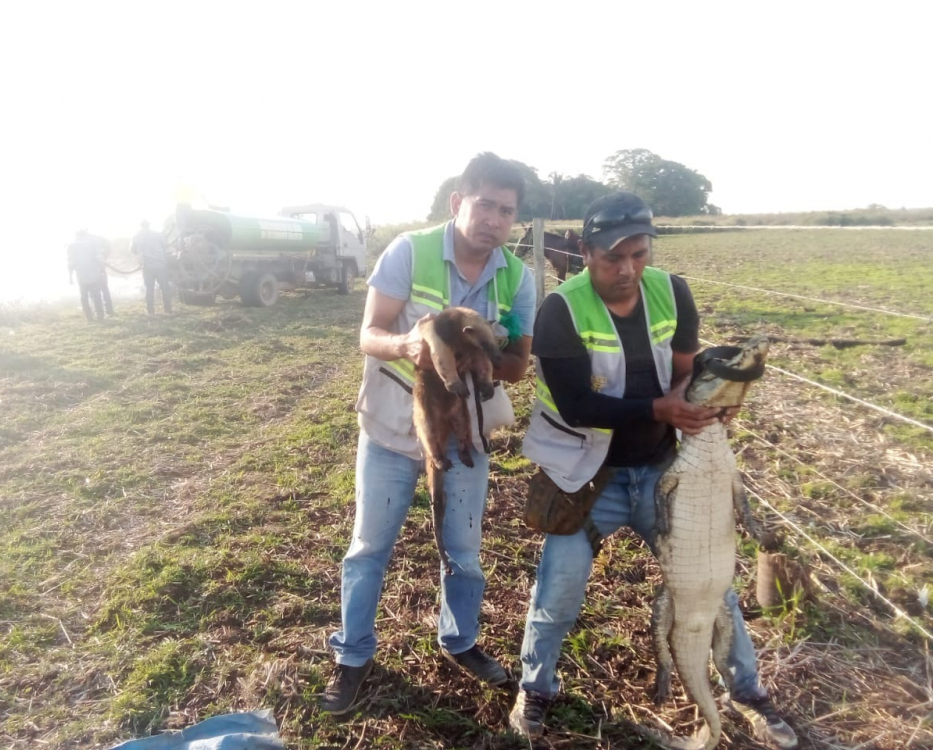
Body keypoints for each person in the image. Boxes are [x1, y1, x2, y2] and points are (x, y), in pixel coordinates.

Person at [508, 191, 798, 749]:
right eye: (613, 258)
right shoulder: (560, 310)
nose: (628, 269)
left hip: (665, 471)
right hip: (587, 477)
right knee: (559, 588)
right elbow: (576, 406)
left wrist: (702, 406)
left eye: (638, 255)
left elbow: (684, 374)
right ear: (585, 252)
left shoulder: (672, 292)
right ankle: (536, 686)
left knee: (712, 585)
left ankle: (747, 691)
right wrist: (659, 409)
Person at [321, 153, 537, 715]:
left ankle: (459, 640)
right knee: (369, 549)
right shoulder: (408, 251)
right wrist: (410, 345)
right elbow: (368, 334)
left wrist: (481, 353)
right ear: (458, 202)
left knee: (463, 553)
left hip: (464, 435)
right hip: (394, 427)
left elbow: (519, 364)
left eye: (506, 211)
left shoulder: (517, 277)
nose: (493, 219)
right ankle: (353, 655)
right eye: (485, 204)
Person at [130, 220, 172, 315]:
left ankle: (150, 311)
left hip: (147, 266)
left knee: (149, 289)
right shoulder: (157, 234)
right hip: (160, 264)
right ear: (149, 225)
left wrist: (141, 255)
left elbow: (132, 250)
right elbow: (165, 246)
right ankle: (168, 310)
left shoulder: (136, 236)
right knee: (165, 288)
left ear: (141, 225)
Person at [67, 230, 107, 321]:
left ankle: (89, 317)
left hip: (81, 275)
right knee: (97, 295)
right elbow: (100, 258)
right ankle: (100, 315)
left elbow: (70, 263)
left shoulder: (72, 246)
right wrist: (102, 270)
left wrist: (70, 277)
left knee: (84, 296)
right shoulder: (93, 244)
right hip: (94, 273)